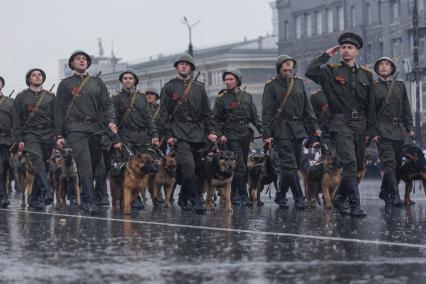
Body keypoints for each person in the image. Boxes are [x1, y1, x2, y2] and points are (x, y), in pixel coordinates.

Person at [306, 32, 376, 217]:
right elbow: (310, 71)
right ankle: (355, 205)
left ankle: (338, 199)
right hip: (341, 122)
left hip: (360, 123)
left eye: (350, 48)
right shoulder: (331, 71)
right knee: (351, 164)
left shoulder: (366, 75)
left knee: (358, 166)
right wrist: (327, 54)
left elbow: (371, 104)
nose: (346, 50)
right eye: (343, 48)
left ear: (357, 51)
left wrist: (371, 129)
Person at [55, 50, 118, 215]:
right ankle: (89, 201)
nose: (81, 61)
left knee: (98, 165)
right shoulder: (66, 84)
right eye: (78, 59)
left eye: (84, 59)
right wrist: (59, 135)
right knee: (84, 164)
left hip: (96, 129)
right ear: (72, 64)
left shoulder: (97, 83)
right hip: (75, 129)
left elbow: (107, 105)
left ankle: (88, 196)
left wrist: (110, 120)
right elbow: (59, 111)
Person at [157, 54, 216, 212]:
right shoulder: (169, 87)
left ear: (191, 68)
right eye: (181, 64)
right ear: (177, 67)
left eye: (187, 64)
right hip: (179, 133)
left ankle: (183, 196)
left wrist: (210, 131)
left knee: (199, 169)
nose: (184, 66)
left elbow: (207, 113)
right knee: (188, 167)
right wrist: (168, 135)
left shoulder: (199, 88)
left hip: (198, 133)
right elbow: (163, 114)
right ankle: (196, 198)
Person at [263, 55, 320, 210]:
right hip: (280, 130)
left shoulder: (299, 83)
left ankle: (281, 195)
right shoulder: (271, 86)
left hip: (298, 130)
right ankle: (299, 198)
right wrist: (267, 134)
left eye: (290, 69)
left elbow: (307, 109)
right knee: (290, 165)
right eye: (285, 70)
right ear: (279, 70)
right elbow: (267, 112)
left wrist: (315, 127)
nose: (288, 72)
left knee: (292, 166)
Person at [213, 68, 262, 206]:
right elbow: (214, 119)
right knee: (239, 165)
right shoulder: (221, 98)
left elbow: (255, 117)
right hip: (230, 134)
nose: (227, 82)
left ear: (238, 81)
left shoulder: (247, 97)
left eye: (231, 79)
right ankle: (241, 195)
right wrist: (220, 135)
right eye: (226, 80)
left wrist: (264, 132)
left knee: (243, 167)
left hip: (245, 134)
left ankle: (235, 193)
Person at [112, 70, 159, 209]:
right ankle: (134, 198)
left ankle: (144, 195)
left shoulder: (141, 97)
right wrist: (116, 139)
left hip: (142, 136)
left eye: (130, 78)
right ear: (122, 81)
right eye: (125, 78)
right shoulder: (116, 98)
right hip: (125, 136)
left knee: (146, 166)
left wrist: (154, 135)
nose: (127, 80)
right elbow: (112, 119)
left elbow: (148, 118)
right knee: (128, 167)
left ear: (134, 81)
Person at [372, 57, 413, 206]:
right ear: (377, 69)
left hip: (399, 130)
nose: (383, 67)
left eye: (387, 64)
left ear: (392, 68)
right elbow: (371, 112)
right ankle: (395, 196)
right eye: (381, 65)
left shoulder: (400, 86)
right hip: (382, 130)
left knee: (395, 164)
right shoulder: (373, 86)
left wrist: (409, 128)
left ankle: (384, 191)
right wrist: (373, 132)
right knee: (389, 163)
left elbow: (406, 108)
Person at [13, 69, 55, 210]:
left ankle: (34, 198)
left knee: (44, 165)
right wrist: (19, 139)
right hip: (30, 134)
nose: (38, 76)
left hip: (48, 134)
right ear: (28, 79)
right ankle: (46, 192)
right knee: (37, 161)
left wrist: (58, 135)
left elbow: (57, 117)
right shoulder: (21, 97)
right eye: (34, 75)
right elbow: (17, 121)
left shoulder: (50, 97)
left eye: (40, 75)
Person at [0, 76, 14, 208]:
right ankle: (3, 196)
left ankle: (3, 194)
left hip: (5, 140)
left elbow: (17, 123)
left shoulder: (10, 102)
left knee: (4, 167)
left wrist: (16, 140)